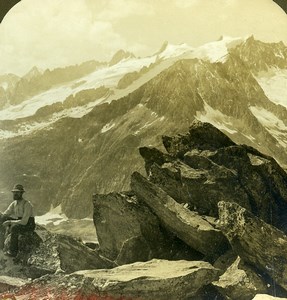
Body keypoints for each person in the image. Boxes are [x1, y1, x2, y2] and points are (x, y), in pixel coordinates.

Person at [0, 184, 35, 257]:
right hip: (19, 221)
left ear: (21, 193)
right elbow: (6, 214)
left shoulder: (27, 204)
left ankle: (13, 252)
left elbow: (24, 221)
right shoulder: (14, 203)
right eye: (14, 192)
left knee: (14, 228)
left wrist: (10, 222)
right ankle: (1, 244)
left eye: (17, 192)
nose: (15, 194)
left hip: (29, 224)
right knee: (2, 219)